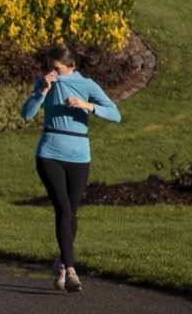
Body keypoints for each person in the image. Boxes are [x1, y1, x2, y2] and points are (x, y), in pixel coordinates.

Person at [21, 42, 121, 293]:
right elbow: (27, 114)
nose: (52, 72)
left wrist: (85, 105)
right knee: (63, 207)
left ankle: (62, 265)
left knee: (71, 213)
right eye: (49, 67)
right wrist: (42, 91)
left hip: (79, 155)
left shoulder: (87, 85)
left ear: (71, 66)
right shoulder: (45, 82)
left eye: (56, 68)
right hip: (49, 152)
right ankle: (72, 270)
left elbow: (115, 113)